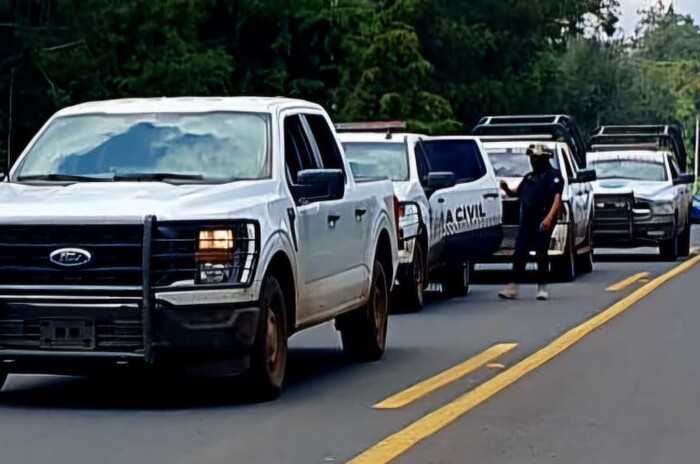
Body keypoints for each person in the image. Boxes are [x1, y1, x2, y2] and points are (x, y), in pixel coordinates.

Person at [498, 143, 563, 301]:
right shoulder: (529, 177)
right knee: (520, 251)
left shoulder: (553, 176)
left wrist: (548, 218)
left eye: (535, 158)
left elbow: (557, 199)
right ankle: (512, 286)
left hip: (543, 217)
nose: (533, 161)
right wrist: (506, 188)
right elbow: (516, 192)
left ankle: (542, 287)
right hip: (527, 218)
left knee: (541, 251)